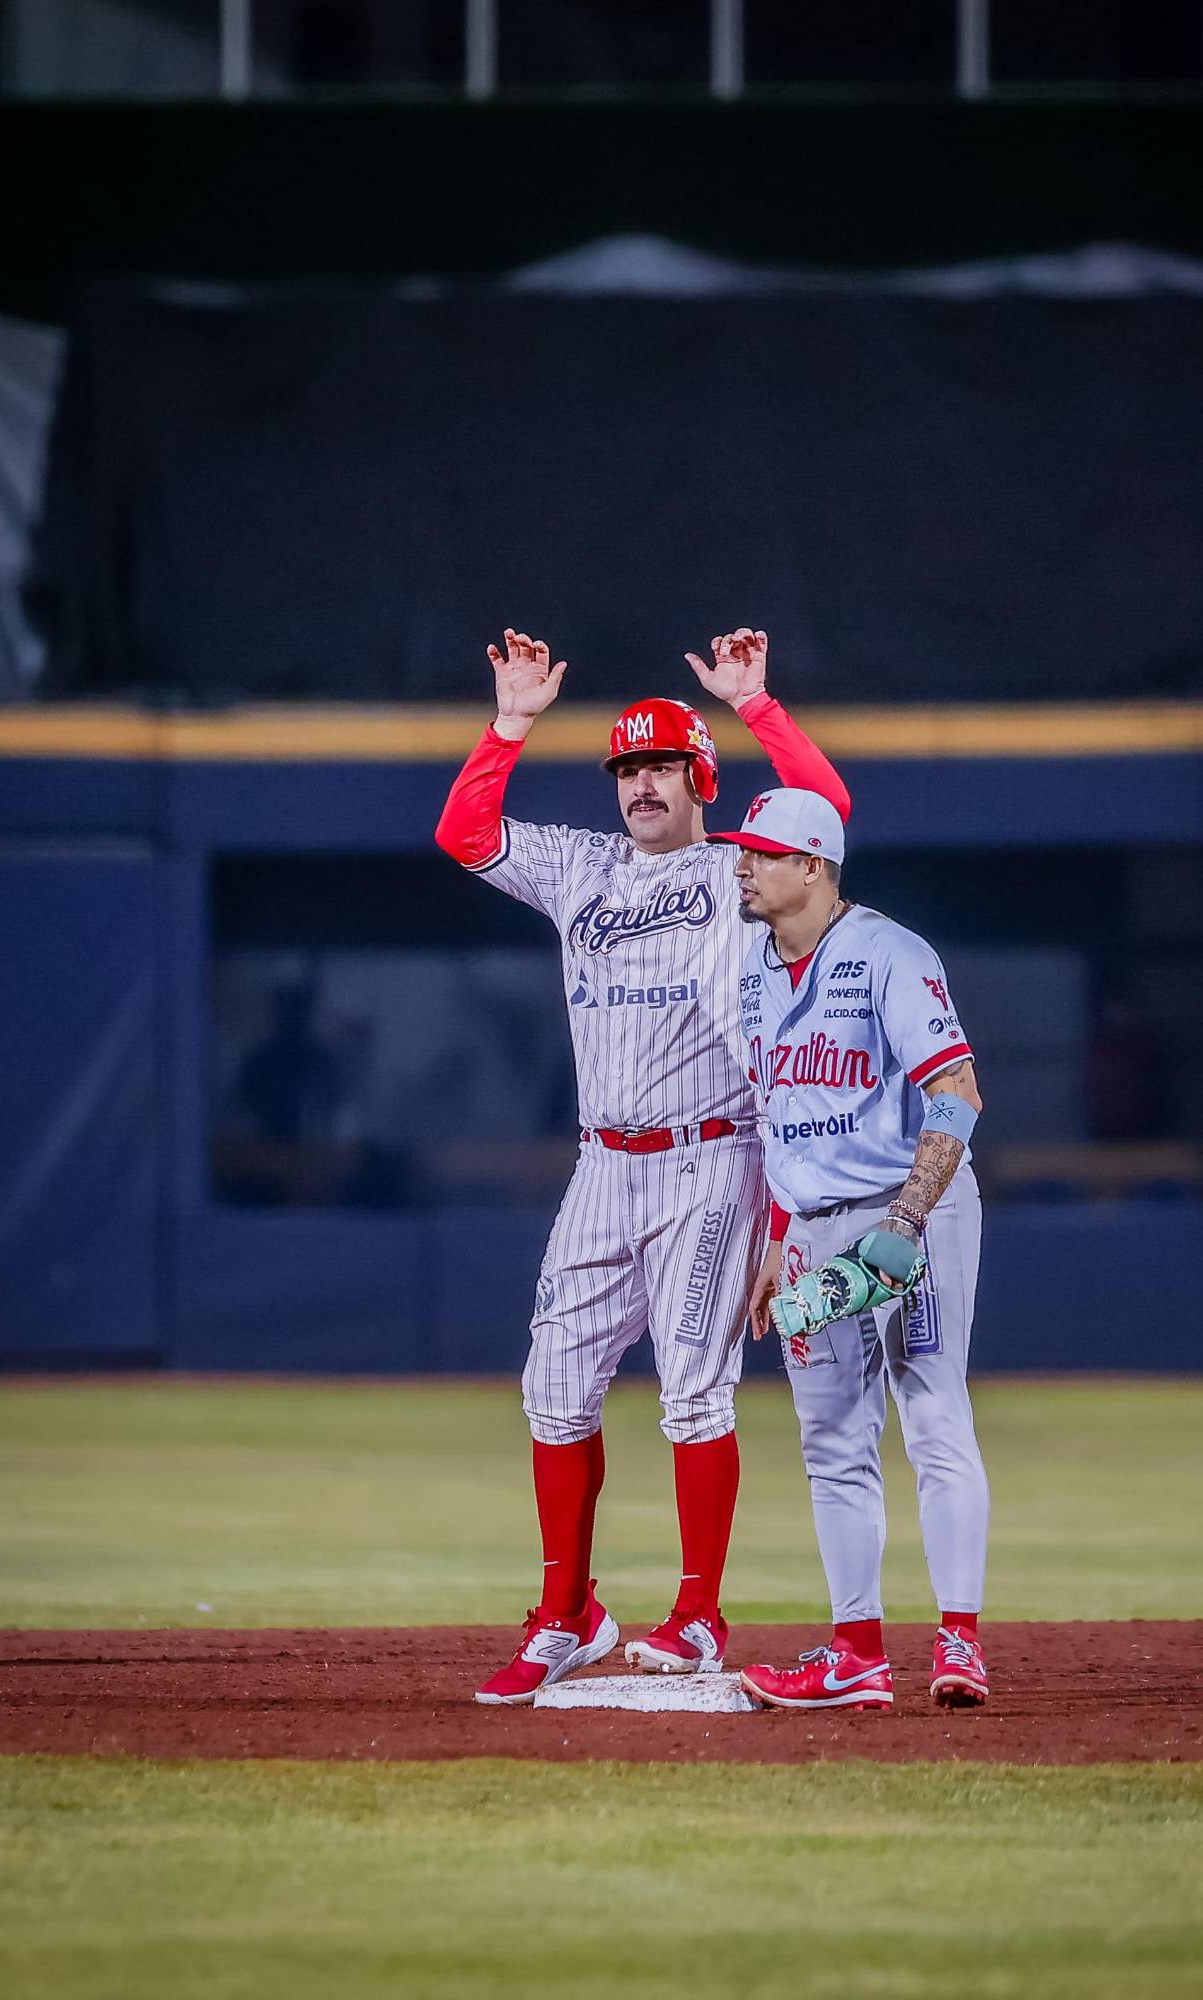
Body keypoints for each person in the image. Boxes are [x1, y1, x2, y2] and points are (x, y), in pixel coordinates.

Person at [435, 628, 851, 1704]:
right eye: (626, 768)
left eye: (662, 764)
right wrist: (510, 724)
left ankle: (699, 1614)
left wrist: (757, 708)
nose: (641, 784)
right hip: (602, 1163)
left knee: (694, 1393)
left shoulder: (737, 872)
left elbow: (824, 808)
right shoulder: (582, 867)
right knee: (552, 1386)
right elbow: (463, 832)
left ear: (699, 779)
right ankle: (566, 1613)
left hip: (714, 1156)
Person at [713, 786, 992, 1712]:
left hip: (911, 1207)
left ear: (814, 866)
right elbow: (779, 1120)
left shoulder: (887, 953)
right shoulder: (753, 972)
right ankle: (856, 1655)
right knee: (831, 1437)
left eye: (762, 853)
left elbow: (957, 1092)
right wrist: (777, 1239)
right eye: (744, 851)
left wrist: (905, 1224)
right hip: (812, 1224)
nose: (744, 865)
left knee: (932, 1411)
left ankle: (959, 1641)